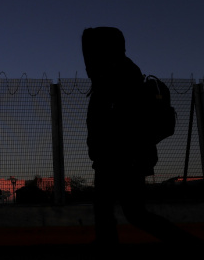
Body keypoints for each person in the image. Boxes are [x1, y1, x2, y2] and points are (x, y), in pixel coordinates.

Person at [82, 27, 200, 245]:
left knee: (125, 213)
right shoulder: (114, 74)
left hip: (121, 158)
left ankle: (190, 244)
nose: (85, 59)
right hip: (117, 157)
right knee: (120, 212)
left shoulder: (117, 77)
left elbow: (118, 120)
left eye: (88, 51)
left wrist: (109, 149)